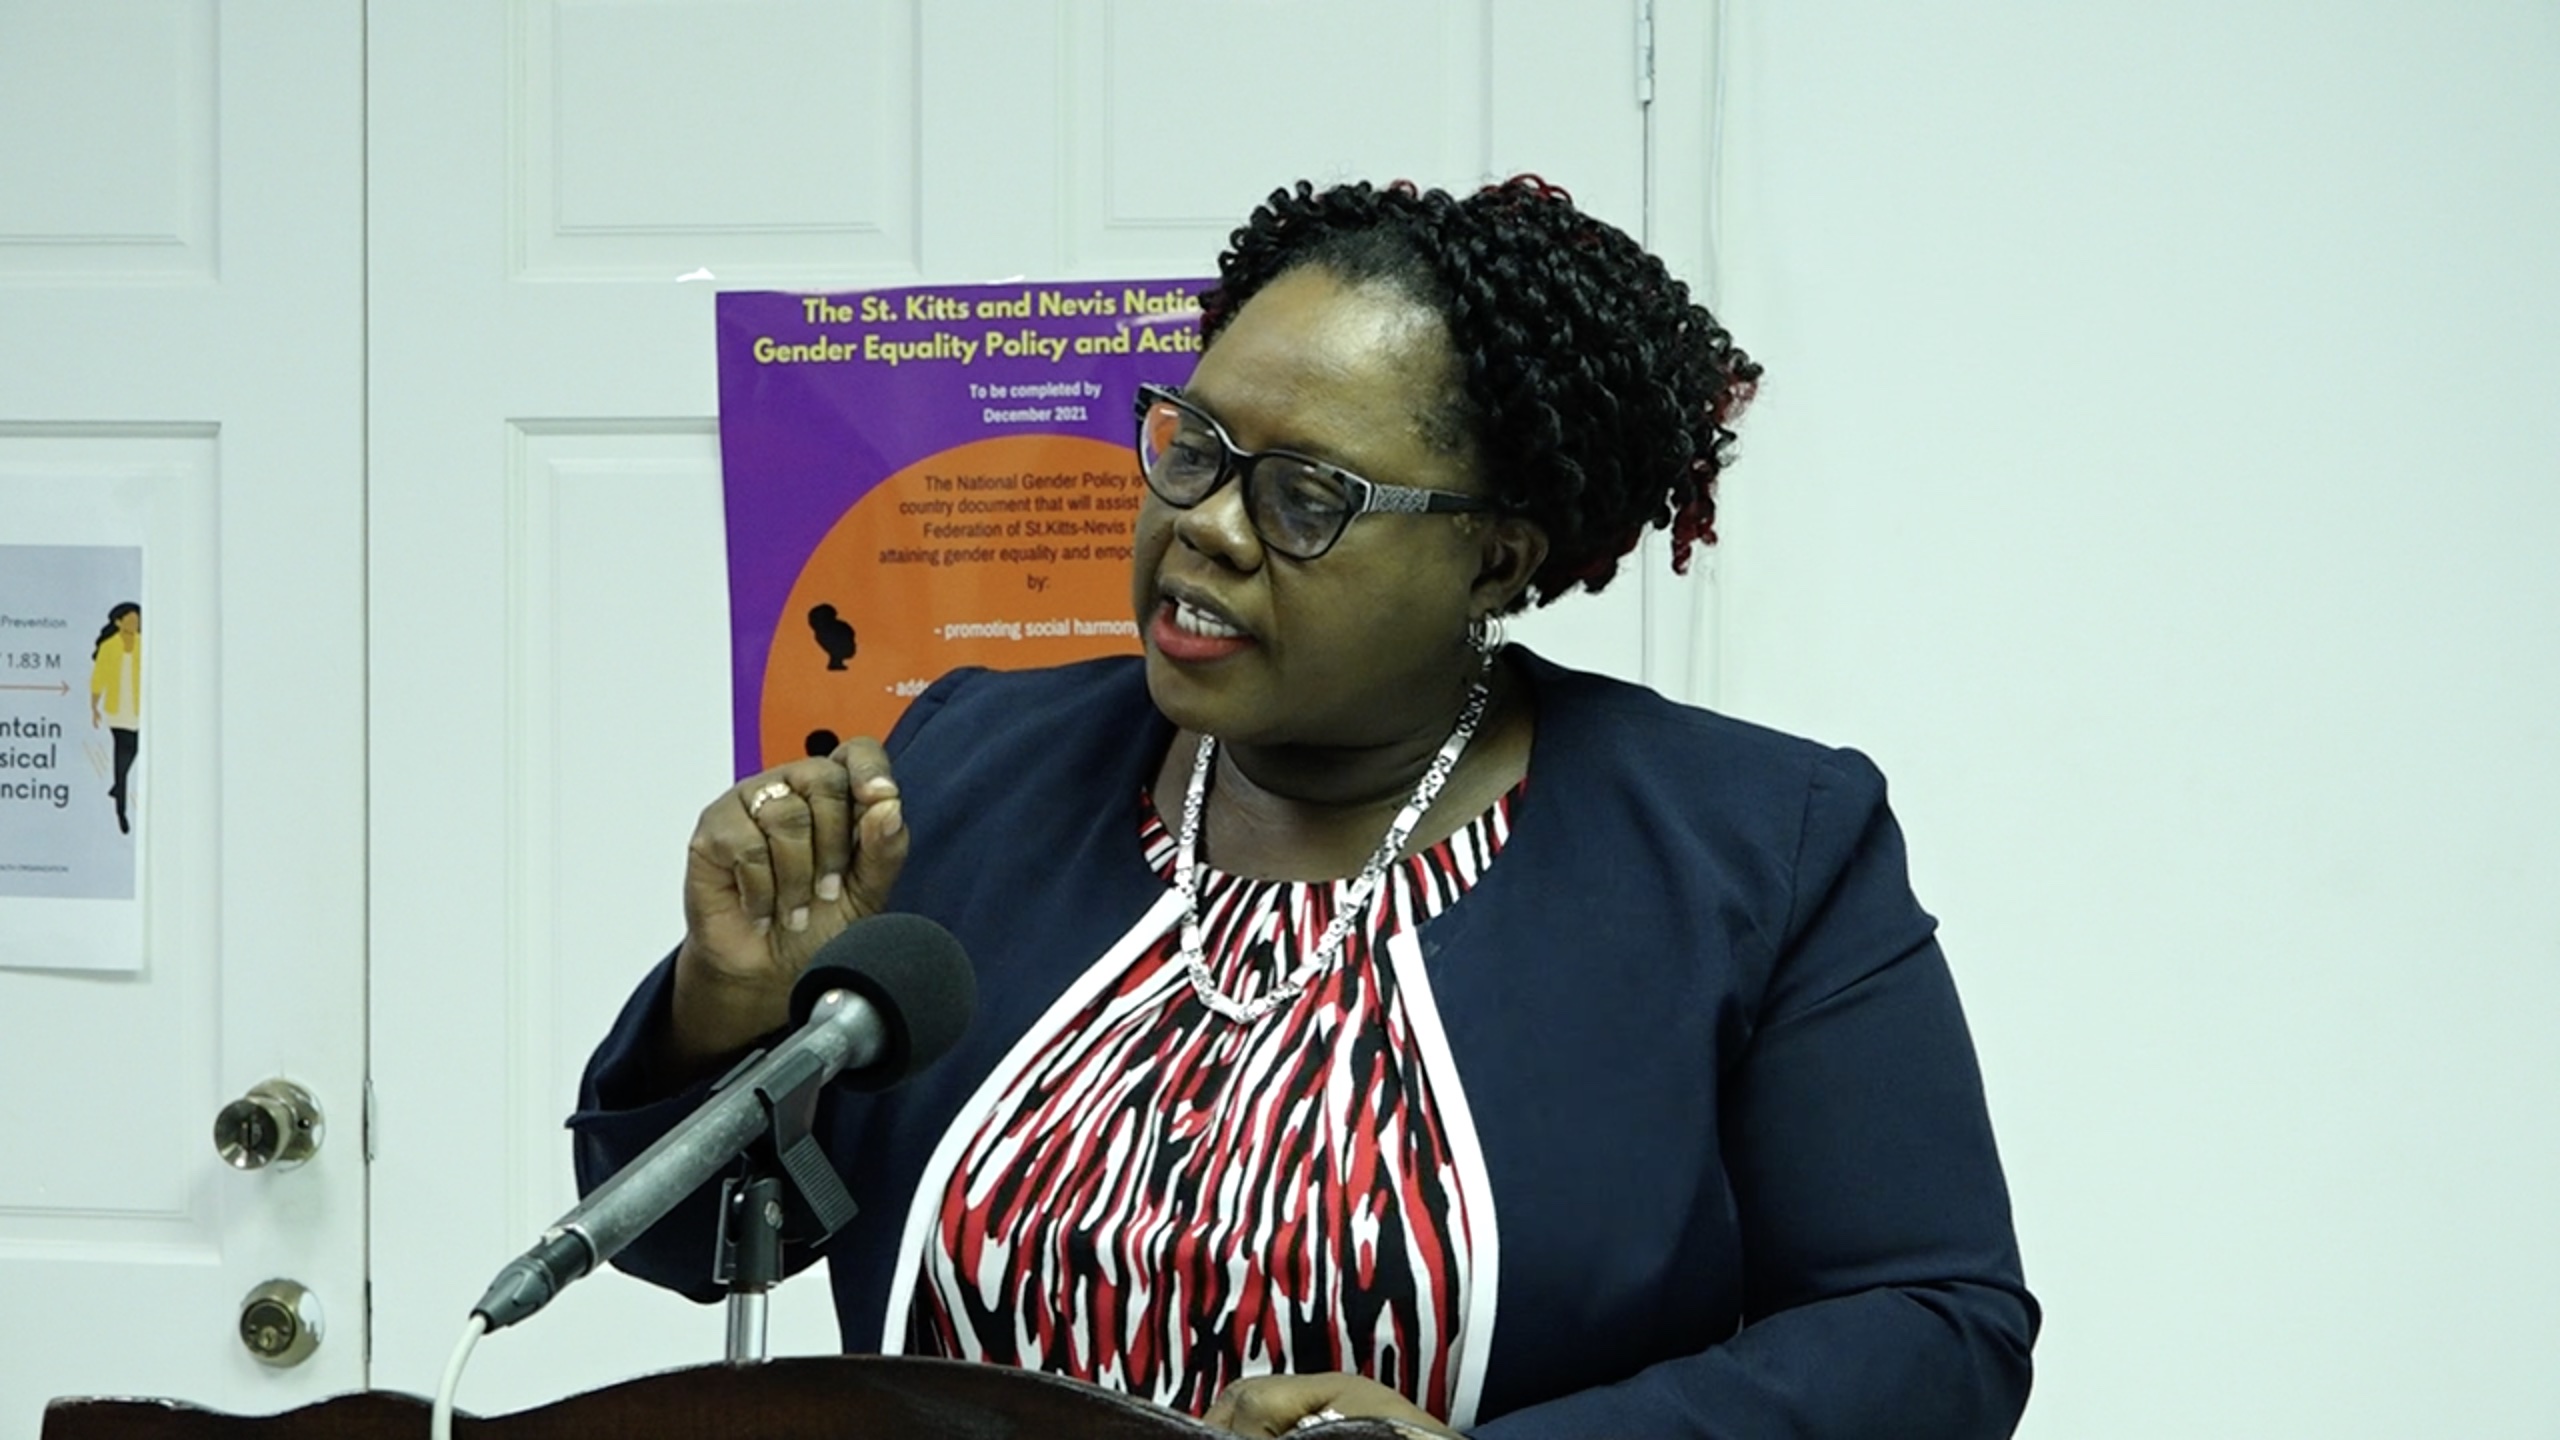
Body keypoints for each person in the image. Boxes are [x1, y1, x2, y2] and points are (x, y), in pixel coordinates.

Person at [573, 177, 2037, 1438]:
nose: (1204, 525)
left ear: (1494, 558)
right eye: (1192, 449)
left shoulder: (1757, 846)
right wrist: (731, 1015)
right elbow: (688, 1245)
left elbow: (1933, 1327)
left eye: (1304, 498)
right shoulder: (975, 760)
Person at [88, 602, 140, 834]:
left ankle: (118, 787)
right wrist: (94, 707)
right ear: (119, 622)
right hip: (117, 709)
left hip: (139, 708)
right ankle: (121, 812)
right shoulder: (109, 647)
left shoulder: (145, 644)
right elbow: (98, 678)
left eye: (137, 620)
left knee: (134, 749)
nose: (135, 623)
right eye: (130, 620)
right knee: (122, 756)